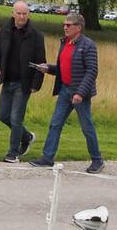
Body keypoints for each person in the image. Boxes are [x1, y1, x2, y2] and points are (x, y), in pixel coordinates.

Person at [30, 11, 104, 173]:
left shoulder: (88, 45)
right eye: (64, 24)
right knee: (55, 123)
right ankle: (47, 158)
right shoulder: (65, 43)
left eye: (68, 25)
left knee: (86, 126)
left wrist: (80, 93)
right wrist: (48, 68)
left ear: (78, 28)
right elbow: (63, 69)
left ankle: (97, 160)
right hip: (65, 90)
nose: (65, 27)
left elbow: (92, 71)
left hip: (79, 93)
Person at [0, 0, 47, 162]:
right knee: (3, 116)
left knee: (16, 118)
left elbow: (41, 61)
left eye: (25, 14)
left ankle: (13, 153)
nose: (22, 17)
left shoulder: (36, 36)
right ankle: (27, 137)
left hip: (24, 83)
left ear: (29, 15)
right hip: (7, 80)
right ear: (13, 13)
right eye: (19, 13)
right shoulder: (5, 31)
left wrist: (36, 84)